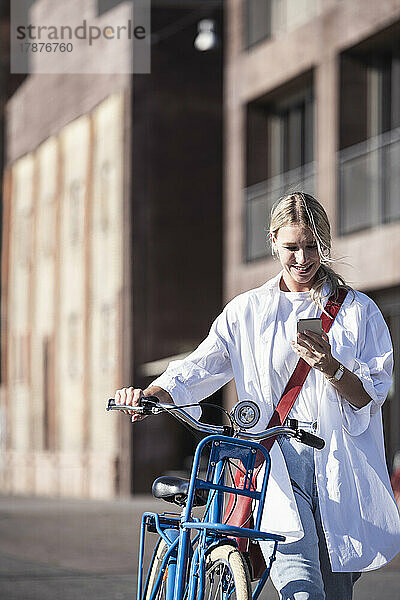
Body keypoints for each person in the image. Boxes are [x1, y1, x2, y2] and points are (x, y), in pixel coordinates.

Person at [115, 192, 400, 600]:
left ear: (326, 242)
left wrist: (330, 366)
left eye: (313, 245)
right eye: (292, 247)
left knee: (336, 593)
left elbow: (369, 397)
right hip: (275, 462)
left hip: (339, 463)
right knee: (302, 591)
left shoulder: (359, 312)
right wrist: (151, 394)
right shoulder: (247, 311)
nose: (303, 258)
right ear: (273, 242)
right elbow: (201, 366)